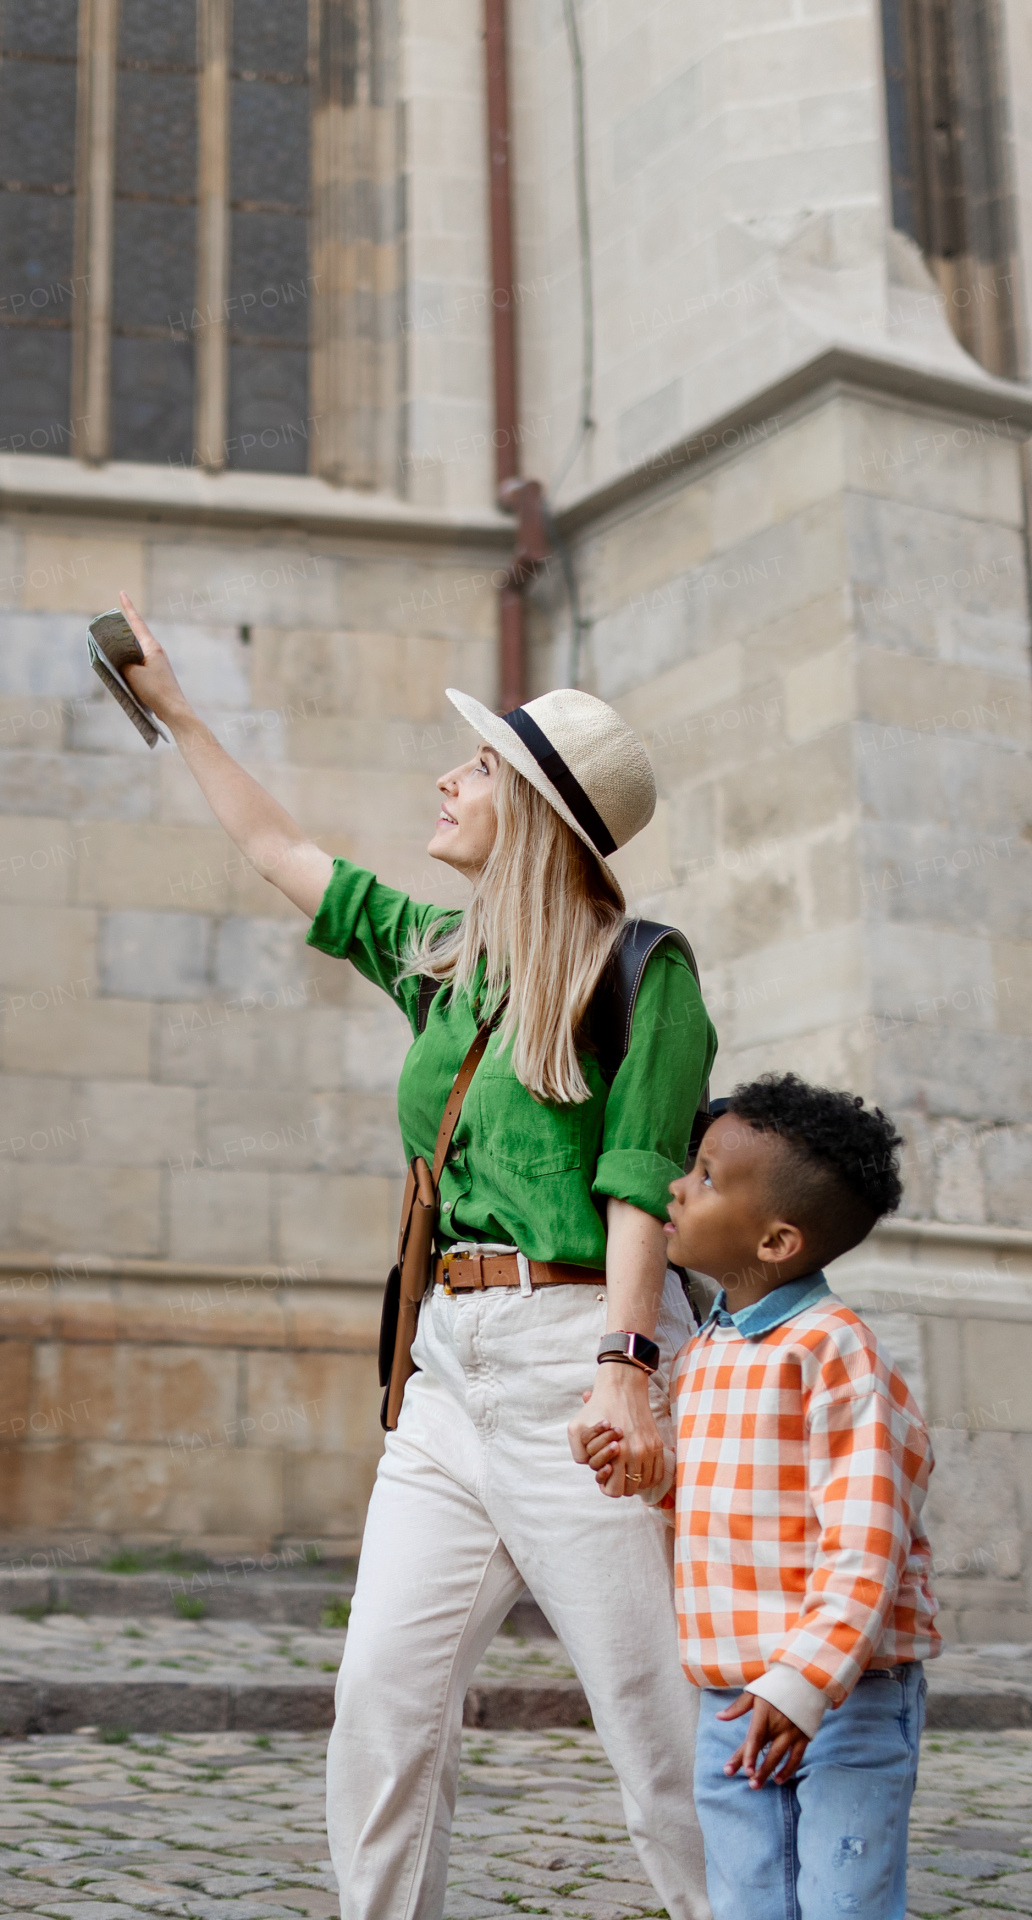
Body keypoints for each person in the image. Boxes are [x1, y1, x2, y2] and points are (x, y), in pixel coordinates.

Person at [116, 589, 715, 1920]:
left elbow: (639, 1183)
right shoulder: (445, 963)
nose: (447, 779)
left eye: (479, 767)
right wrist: (179, 714)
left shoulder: (645, 974)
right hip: (448, 1376)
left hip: (583, 1367)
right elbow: (280, 849)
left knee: (657, 1728)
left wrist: (628, 1363)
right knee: (381, 1708)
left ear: (540, 817)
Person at [585, 1073, 942, 1920]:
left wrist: (805, 1682)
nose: (675, 1184)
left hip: (845, 1694)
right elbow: (712, 1499)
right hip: (729, 1691)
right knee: (747, 1895)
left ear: (777, 1240)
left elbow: (869, 1541)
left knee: (844, 1897)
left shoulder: (833, 1350)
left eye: (705, 1176)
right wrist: (649, 1473)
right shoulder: (707, 1351)